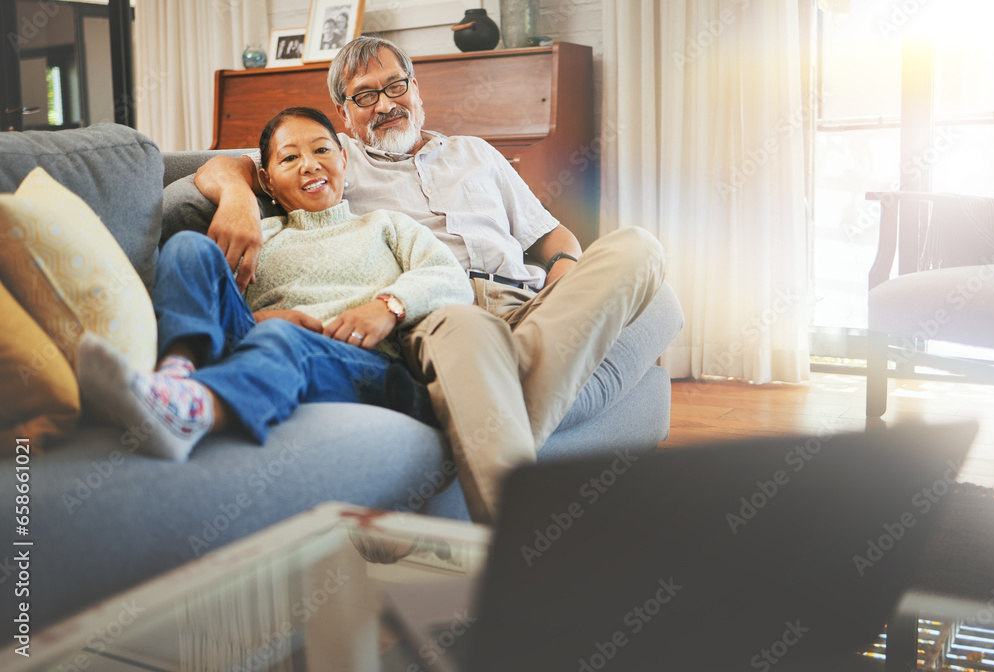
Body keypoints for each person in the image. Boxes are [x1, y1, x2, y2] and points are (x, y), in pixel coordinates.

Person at [194, 37, 670, 524]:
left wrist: (565, 282)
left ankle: (506, 398)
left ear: (416, 89)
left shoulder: (477, 153)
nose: (385, 104)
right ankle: (517, 516)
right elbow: (218, 166)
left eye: (395, 86)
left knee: (638, 248)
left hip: (528, 300)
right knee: (473, 328)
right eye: (364, 96)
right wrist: (235, 196)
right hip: (441, 315)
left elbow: (551, 235)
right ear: (344, 115)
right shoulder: (334, 161)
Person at [77, 106, 473, 462]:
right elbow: (220, 308)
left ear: (344, 160)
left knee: (283, 340)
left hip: (363, 362)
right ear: (266, 181)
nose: (310, 165)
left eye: (322, 150)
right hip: (259, 340)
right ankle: (175, 377)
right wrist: (259, 317)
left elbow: (449, 277)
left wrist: (388, 306)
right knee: (188, 248)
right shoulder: (259, 235)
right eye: (289, 158)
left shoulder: (385, 225)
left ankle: (194, 413)